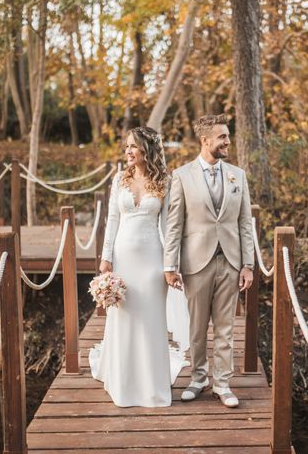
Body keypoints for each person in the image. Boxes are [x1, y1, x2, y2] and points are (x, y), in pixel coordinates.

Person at [89, 126, 188, 407]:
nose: (128, 152)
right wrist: (106, 259)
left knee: (149, 321)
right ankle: (123, 383)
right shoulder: (119, 179)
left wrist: (170, 265)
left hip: (151, 262)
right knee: (124, 319)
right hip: (122, 260)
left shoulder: (165, 182)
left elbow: (170, 227)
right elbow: (111, 222)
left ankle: (151, 387)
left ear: (147, 150)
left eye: (133, 147)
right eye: (127, 147)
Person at [164, 114, 254, 408]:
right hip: (195, 263)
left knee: (226, 327)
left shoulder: (237, 175)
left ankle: (223, 384)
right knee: (198, 327)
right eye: (223, 137)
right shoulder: (181, 176)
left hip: (230, 261)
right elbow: (174, 224)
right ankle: (198, 378)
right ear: (205, 141)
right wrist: (170, 265)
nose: (228, 142)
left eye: (227, 136)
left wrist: (248, 264)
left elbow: (244, 223)